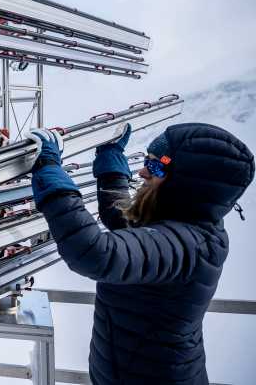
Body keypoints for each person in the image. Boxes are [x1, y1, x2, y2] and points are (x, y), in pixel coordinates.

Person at [27, 122, 254, 385]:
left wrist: (49, 171)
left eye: (156, 166)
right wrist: (111, 158)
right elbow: (122, 217)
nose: (143, 170)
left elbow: (94, 253)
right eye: (148, 159)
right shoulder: (177, 220)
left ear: (186, 183)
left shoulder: (188, 245)